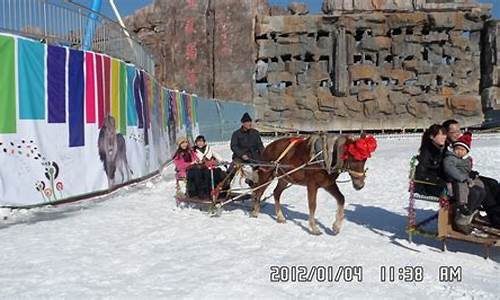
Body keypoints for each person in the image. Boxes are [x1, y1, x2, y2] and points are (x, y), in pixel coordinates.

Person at [442, 132, 486, 233]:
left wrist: (472, 174)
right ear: (453, 149)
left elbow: (466, 170)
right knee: (468, 190)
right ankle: (462, 215)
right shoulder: (450, 158)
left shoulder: (466, 159)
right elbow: (450, 169)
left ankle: (472, 211)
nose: (459, 152)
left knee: (480, 190)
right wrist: (463, 178)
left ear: (466, 152)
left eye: (462, 150)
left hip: (465, 179)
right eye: (457, 149)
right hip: (455, 180)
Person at [229, 112, 264, 186]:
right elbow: (233, 146)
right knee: (233, 168)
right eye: (247, 122)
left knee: (262, 169)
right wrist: (242, 155)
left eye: (250, 122)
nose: (249, 124)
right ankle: (226, 184)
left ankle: (255, 185)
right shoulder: (236, 134)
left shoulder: (255, 133)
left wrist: (264, 154)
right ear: (243, 123)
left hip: (254, 156)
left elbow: (260, 145)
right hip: (240, 156)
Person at [414, 124, 447, 196]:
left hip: (439, 182)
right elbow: (420, 174)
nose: (443, 137)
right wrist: (437, 179)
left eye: (444, 134)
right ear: (432, 137)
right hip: (428, 185)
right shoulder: (427, 152)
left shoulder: (443, 149)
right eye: (440, 135)